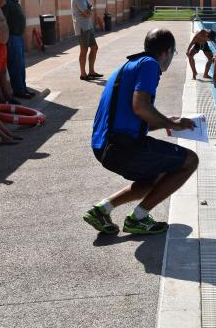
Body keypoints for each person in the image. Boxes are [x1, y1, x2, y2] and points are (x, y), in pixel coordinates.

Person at [84, 28, 199, 235]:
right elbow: (141, 107)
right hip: (120, 146)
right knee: (190, 161)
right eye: (173, 54)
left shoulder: (129, 65)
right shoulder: (150, 64)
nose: (171, 59)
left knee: (159, 173)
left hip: (104, 145)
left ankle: (102, 210)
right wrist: (172, 124)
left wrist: (166, 122)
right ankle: (138, 218)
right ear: (166, 51)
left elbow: (132, 117)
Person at [2, 0, 34, 99]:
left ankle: (23, 88)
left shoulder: (14, 3)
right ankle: (18, 90)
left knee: (21, 65)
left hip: (18, 37)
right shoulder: (7, 4)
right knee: (15, 65)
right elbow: (3, 21)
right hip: (12, 38)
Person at [71, 0, 102, 81]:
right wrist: (89, 11)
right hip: (82, 28)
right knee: (83, 50)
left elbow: (90, 7)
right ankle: (83, 74)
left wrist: (89, 10)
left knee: (94, 48)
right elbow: (86, 14)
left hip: (88, 26)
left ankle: (91, 72)